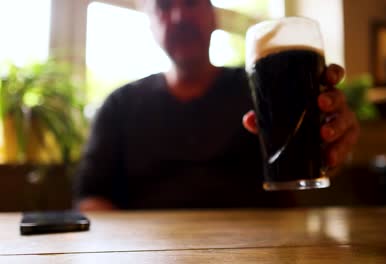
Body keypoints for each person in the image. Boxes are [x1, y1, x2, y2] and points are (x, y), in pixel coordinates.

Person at [75, 0, 360, 210]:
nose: (179, 16)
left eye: (191, 3)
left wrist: (328, 146)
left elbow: (304, 165)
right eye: (163, 6)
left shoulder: (261, 86)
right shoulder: (119, 105)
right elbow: (91, 197)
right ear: (149, 24)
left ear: (213, 16)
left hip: (268, 248)